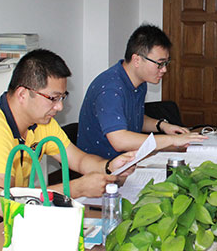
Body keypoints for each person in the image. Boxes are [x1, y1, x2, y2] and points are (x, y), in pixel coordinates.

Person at [0, 49, 134, 231]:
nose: (59, 107)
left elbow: (79, 160)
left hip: (15, 220)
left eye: (62, 97)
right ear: (23, 94)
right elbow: (3, 203)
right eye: (53, 98)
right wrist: (76, 188)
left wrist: (109, 166)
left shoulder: (41, 121)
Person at [78, 24, 205, 159]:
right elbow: (120, 140)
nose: (164, 70)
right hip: (103, 165)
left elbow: (132, 118)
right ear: (137, 60)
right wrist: (172, 140)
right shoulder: (110, 89)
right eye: (160, 63)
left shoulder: (139, 82)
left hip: (129, 159)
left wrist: (162, 126)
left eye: (166, 63)